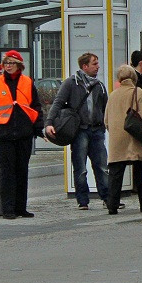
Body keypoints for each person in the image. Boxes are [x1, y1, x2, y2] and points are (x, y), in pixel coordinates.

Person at [0, 50, 43, 219]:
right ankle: (8, 209)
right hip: (4, 134)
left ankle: (21, 207)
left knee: (22, 171)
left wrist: (37, 128)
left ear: (19, 65)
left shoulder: (28, 82)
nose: (8, 66)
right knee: (7, 173)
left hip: (23, 134)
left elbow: (35, 107)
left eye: (11, 63)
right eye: (6, 63)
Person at [45, 52, 111, 210]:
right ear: (85, 66)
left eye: (97, 63)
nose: (98, 66)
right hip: (79, 131)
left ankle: (108, 198)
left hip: (96, 130)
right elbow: (58, 103)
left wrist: (106, 125)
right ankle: (83, 200)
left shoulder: (99, 85)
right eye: (94, 64)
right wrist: (48, 123)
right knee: (80, 168)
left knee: (101, 166)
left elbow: (106, 108)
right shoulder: (71, 83)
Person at [105, 64, 142, 214]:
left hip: (117, 139)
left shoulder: (113, 95)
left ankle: (112, 205)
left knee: (115, 173)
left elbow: (106, 120)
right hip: (134, 138)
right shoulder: (137, 92)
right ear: (133, 77)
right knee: (141, 171)